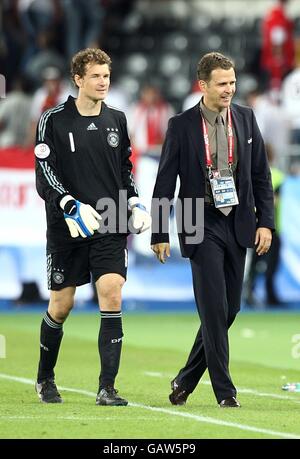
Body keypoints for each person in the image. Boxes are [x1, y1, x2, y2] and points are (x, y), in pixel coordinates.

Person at [151, 52, 274, 408]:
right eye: (222, 83)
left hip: (236, 221)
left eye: (233, 82)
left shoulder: (247, 120)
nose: (230, 89)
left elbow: (262, 177)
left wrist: (266, 222)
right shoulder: (182, 125)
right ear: (202, 85)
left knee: (230, 308)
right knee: (213, 310)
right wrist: (159, 232)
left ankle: (185, 379)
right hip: (198, 221)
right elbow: (164, 183)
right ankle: (225, 392)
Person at [34, 48, 151, 405]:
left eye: (107, 76)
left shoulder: (117, 118)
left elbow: (125, 167)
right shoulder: (53, 119)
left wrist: (134, 201)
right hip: (67, 224)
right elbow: (44, 171)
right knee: (62, 305)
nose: (103, 82)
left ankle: (107, 388)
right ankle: (45, 377)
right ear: (79, 79)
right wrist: (70, 205)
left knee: (112, 292)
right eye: (96, 76)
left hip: (110, 219)